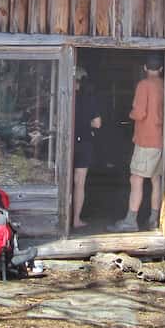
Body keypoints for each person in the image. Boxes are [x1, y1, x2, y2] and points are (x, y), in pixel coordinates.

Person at [112, 53, 165, 232]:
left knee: (136, 179)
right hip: (161, 139)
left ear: (144, 68)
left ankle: (131, 220)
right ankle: (154, 219)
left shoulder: (144, 85)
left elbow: (140, 113)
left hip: (145, 139)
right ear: (161, 69)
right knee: (156, 179)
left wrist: (131, 114)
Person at [72, 66, 102, 229]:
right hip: (83, 142)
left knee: (64, 180)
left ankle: (62, 218)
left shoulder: (63, 95)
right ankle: (76, 219)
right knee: (79, 183)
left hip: (65, 143)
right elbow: (97, 123)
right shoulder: (89, 98)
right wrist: (85, 123)